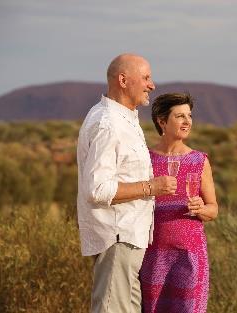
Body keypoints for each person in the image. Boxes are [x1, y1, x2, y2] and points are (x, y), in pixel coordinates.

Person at [76, 53, 177, 313]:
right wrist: (152, 187)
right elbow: (97, 189)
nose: (152, 85)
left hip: (129, 238)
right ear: (123, 80)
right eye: (145, 78)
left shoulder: (124, 119)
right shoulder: (108, 124)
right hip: (117, 237)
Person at [139, 93, 219, 313]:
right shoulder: (146, 160)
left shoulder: (199, 161)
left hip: (190, 257)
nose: (187, 122)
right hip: (153, 257)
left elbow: (213, 209)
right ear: (162, 121)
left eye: (189, 116)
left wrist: (201, 209)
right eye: (180, 116)